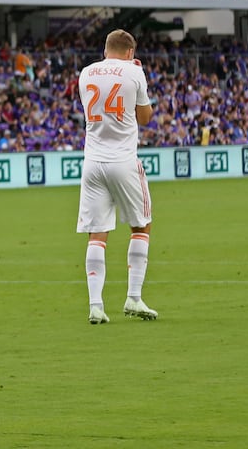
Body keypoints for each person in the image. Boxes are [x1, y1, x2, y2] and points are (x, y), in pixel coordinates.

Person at [76, 29, 158, 324]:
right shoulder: (133, 72)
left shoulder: (85, 73)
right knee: (141, 226)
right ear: (128, 52)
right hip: (123, 160)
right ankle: (133, 298)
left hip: (92, 162)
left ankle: (96, 305)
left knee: (97, 234)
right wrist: (139, 77)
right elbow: (145, 118)